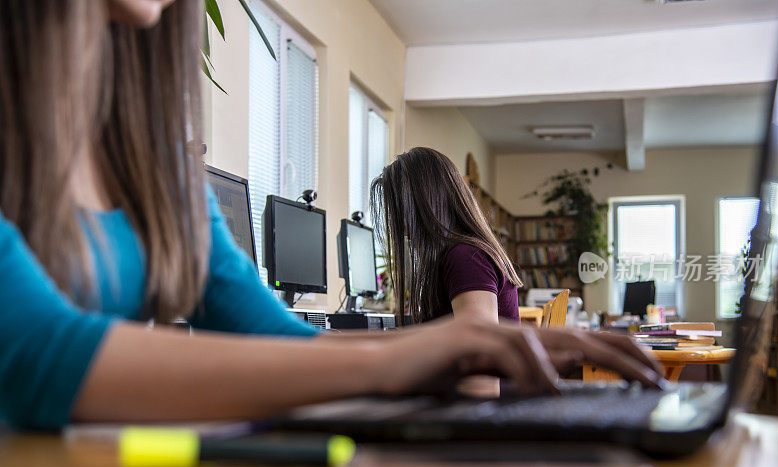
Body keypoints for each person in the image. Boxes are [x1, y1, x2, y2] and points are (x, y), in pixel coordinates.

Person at [0, 0, 663, 431]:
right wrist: (430, 350)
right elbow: (35, 353)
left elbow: (285, 345)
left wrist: (453, 349)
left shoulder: (158, 173)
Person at [371, 147, 522, 325]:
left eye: (400, 211)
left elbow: (479, 348)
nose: (401, 227)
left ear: (425, 205)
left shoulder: (466, 258)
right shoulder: (465, 253)